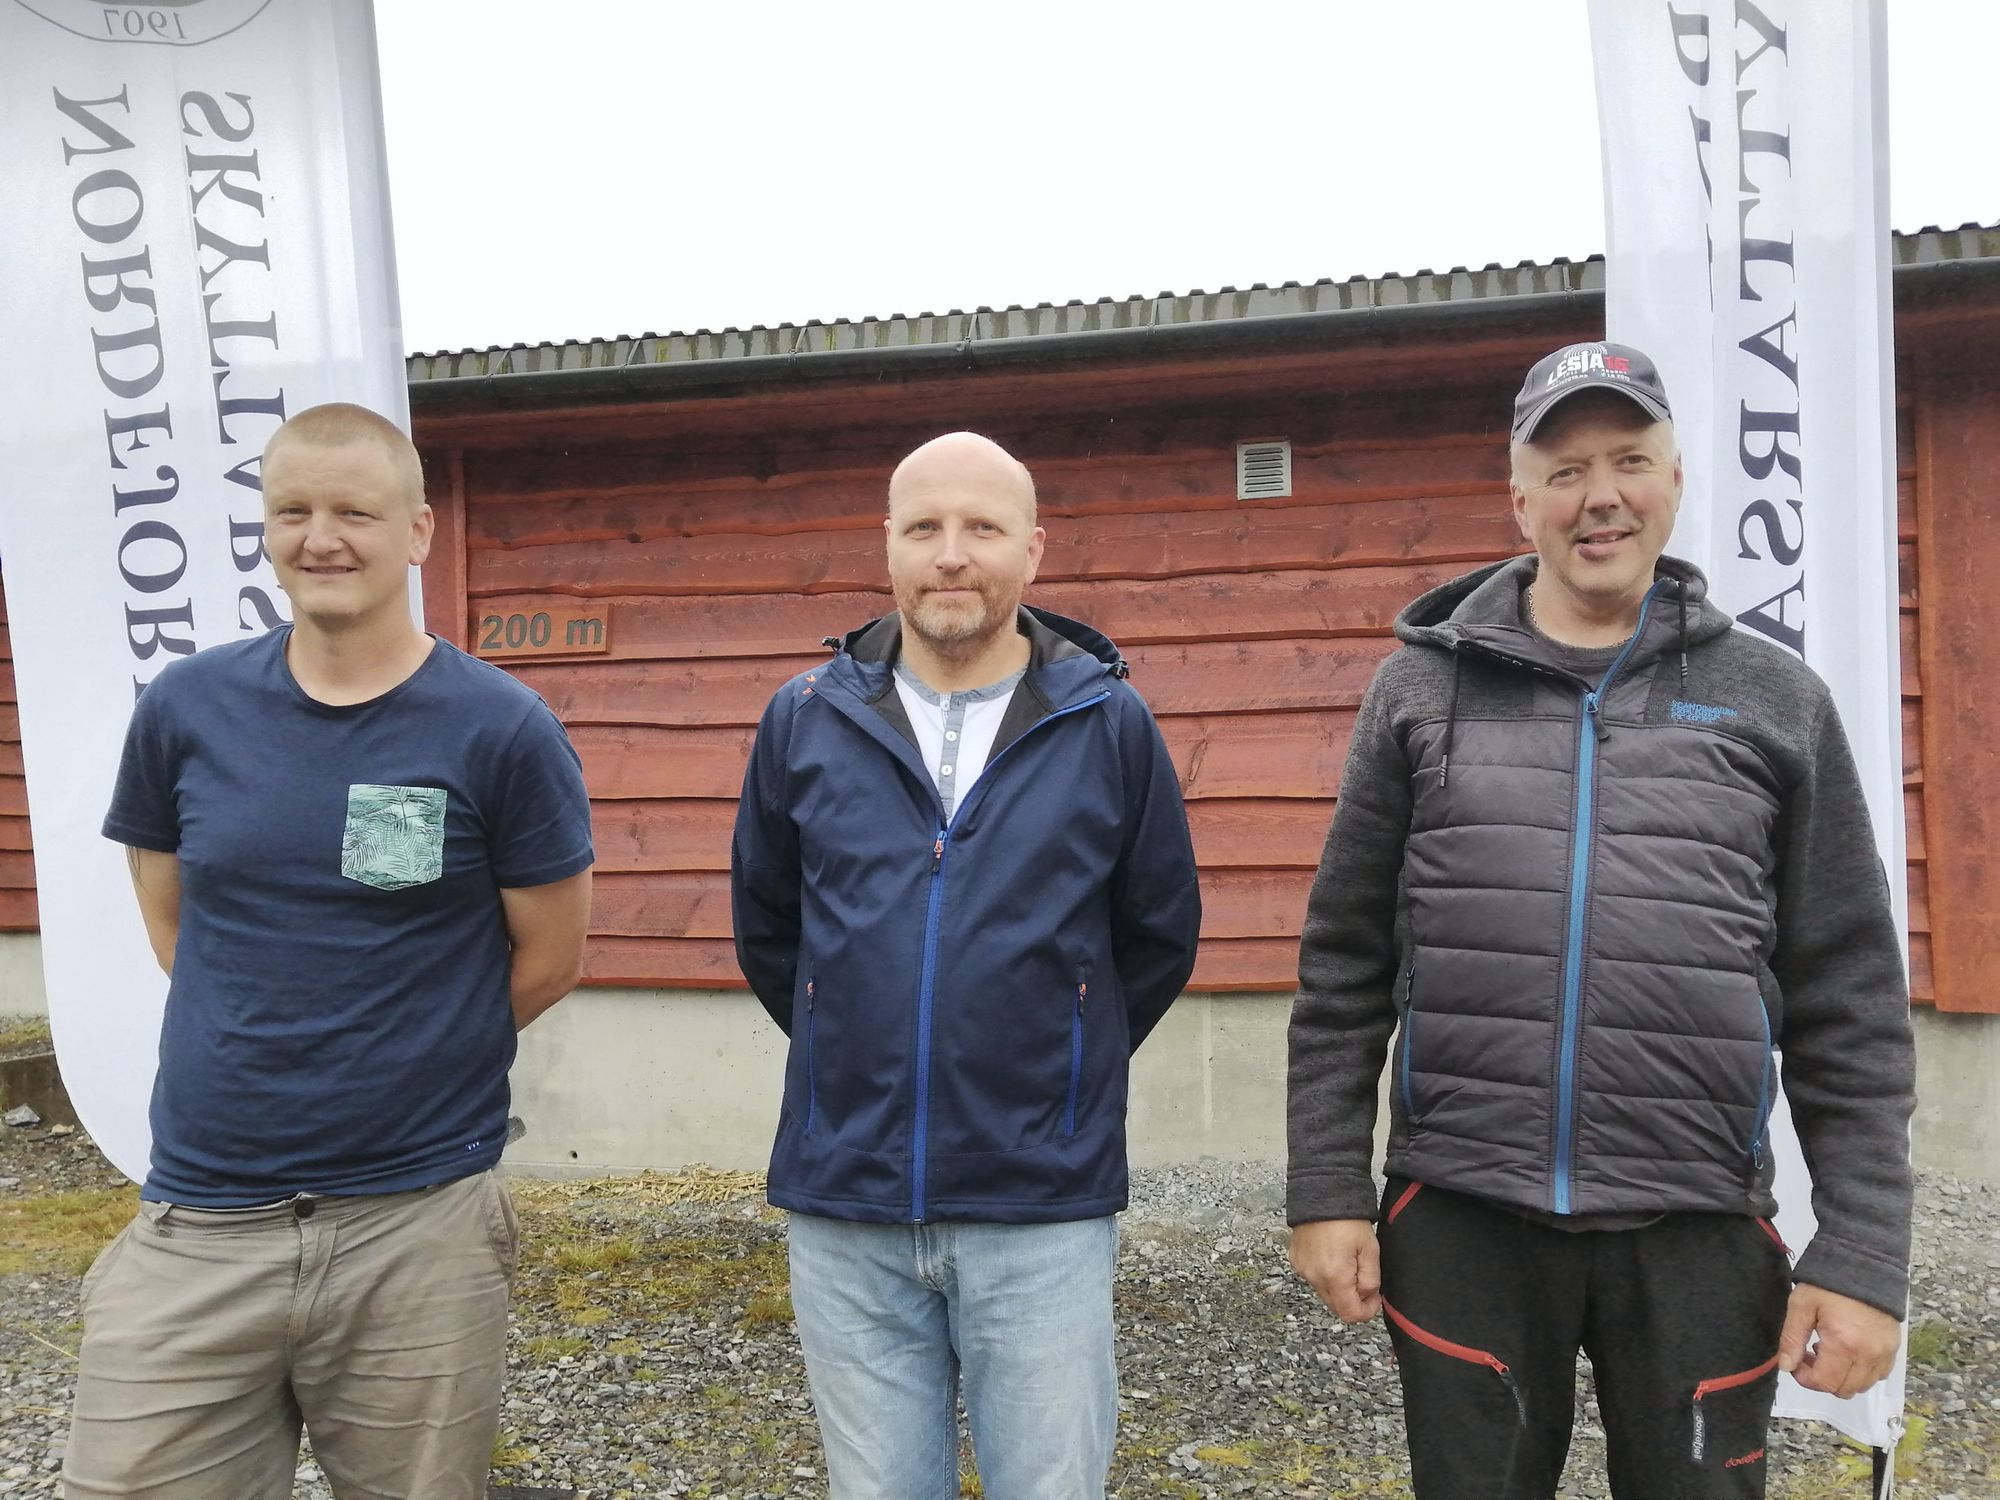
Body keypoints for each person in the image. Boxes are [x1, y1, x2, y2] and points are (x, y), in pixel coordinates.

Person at [1285, 342, 1915, 1499]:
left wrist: (1864, 1251)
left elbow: (1847, 996)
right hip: (1462, 1218)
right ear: (1518, 496)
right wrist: (1325, 1186)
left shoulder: (1776, 702)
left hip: (1697, 1231)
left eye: (1628, 459)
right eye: (1564, 468)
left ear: (1674, 481)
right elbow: (1342, 964)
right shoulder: (1421, 691)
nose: (1599, 496)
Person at [65, 403, 595, 1500]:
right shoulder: (187, 710)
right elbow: (178, 927)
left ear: (417, 531)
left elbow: (544, 960)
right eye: (293, 510)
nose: (323, 538)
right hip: (201, 1221)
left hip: (416, 1227)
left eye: (356, 511)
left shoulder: (499, 730)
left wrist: (399, 1064)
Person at [731, 431, 1202, 1499]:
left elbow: (1155, 932)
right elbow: (770, 928)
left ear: (1031, 552)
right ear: (886, 549)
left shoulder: (1107, 724)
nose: (952, 555)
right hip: (846, 1205)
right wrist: (857, 1046)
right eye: (924, 529)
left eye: (981, 529)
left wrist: (1060, 1062)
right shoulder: (804, 721)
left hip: (1039, 1208)